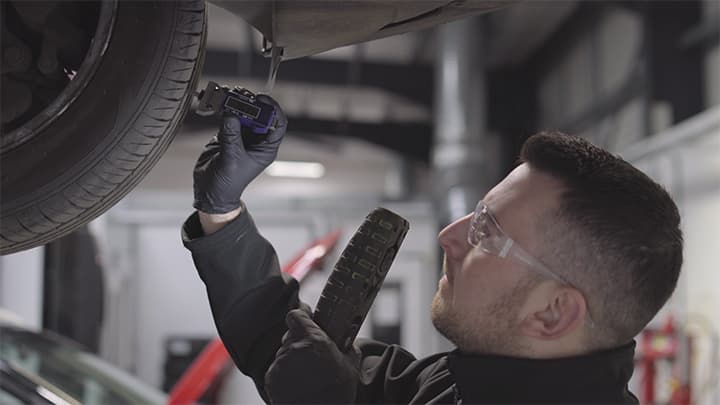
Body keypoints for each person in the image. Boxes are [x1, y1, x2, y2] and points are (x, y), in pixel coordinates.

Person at [182, 96, 683, 404]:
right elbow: (299, 356)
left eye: (488, 232)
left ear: (553, 313)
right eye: (478, 212)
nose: (450, 235)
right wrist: (221, 215)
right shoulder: (458, 384)